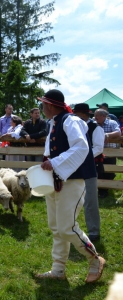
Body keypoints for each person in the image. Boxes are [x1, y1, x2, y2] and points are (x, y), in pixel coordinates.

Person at [36, 89, 105, 283]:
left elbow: (81, 147)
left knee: (67, 228)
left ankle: (95, 259)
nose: (42, 108)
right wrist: (47, 164)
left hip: (72, 180)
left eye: (43, 104)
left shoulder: (71, 121)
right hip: (55, 180)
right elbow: (51, 151)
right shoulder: (54, 123)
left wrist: (56, 162)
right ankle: (58, 270)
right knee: (56, 227)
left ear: (50, 105)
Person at [73, 103, 103, 242]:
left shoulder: (96, 128)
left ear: (84, 115)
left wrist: (82, 155)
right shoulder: (73, 128)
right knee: (72, 199)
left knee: (90, 200)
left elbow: (98, 148)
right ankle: (71, 228)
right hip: (74, 167)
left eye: (76, 115)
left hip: (89, 166)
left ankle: (94, 231)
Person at [94, 108, 121, 198]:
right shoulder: (93, 123)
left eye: (97, 115)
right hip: (98, 152)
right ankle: (102, 191)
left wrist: (106, 135)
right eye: (95, 115)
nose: (95, 117)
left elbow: (118, 132)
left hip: (110, 152)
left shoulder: (112, 123)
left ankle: (105, 188)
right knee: (99, 171)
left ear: (103, 116)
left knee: (109, 171)